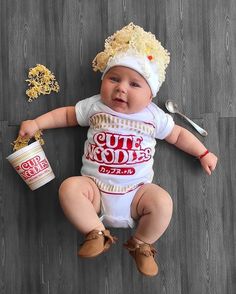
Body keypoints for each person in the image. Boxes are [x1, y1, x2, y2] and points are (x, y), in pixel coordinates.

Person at [19, 23, 218, 277]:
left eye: (135, 84)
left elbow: (178, 134)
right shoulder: (95, 106)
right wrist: (38, 123)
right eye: (114, 79)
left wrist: (202, 153)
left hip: (137, 195)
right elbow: (68, 115)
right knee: (69, 188)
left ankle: (142, 243)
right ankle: (96, 233)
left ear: (150, 95)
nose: (121, 88)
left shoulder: (154, 116)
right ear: (104, 81)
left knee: (163, 202)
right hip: (95, 193)